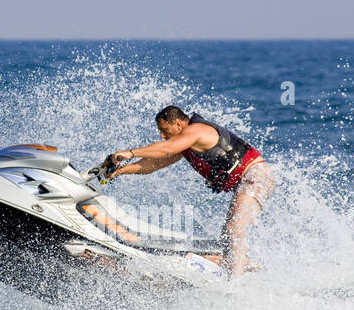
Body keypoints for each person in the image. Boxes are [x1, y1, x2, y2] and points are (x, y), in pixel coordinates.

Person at [107, 105, 274, 277]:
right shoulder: (186, 144)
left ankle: (236, 283)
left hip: (255, 175)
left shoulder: (197, 131)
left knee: (235, 229)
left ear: (178, 124)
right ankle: (242, 267)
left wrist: (131, 153)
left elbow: (166, 148)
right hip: (246, 181)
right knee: (228, 235)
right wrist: (119, 171)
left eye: (164, 130)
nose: (162, 136)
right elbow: (151, 164)